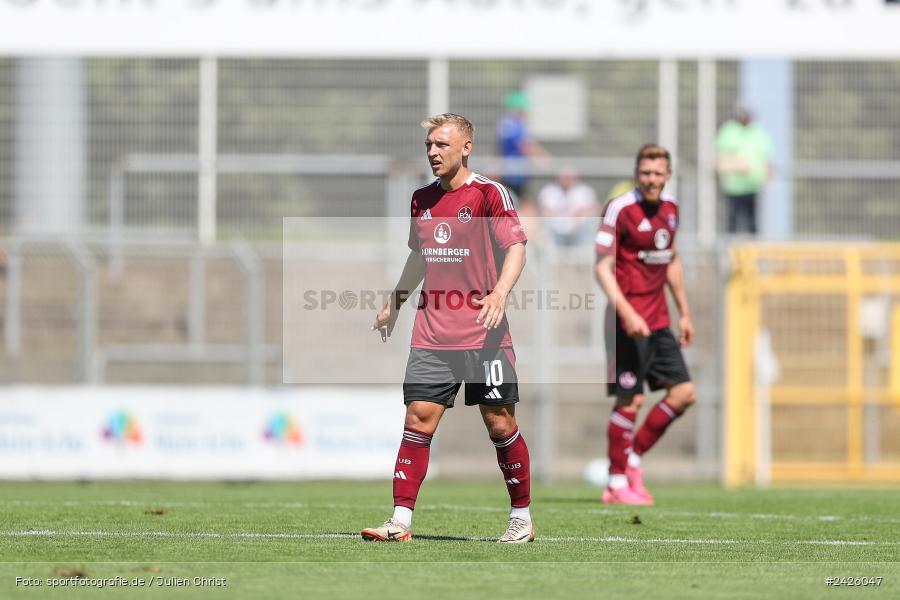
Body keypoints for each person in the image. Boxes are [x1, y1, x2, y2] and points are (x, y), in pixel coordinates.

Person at [361, 113, 533, 543]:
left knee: (499, 423)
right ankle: (399, 521)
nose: (433, 153)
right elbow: (418, 257)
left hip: (484, 335)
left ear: (466, 147)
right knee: (418, 420)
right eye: (429, 146)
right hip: (433, 334)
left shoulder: (490, 194)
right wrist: (395, 303)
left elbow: (516, 248)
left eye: (441, 145)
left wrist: (499, 293)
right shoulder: (421, 199)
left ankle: (522, 518)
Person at [593, 144, 696, 505]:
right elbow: (602, 266)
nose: (651, 179)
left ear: (668, 176)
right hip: (626, 321)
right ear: (638, 174)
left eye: (658, 173)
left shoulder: (672, 209)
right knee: (631, 399)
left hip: (660, 319)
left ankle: (631, 457)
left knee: (684, 393)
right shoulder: (620, 208)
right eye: (645, 173)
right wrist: (627, 311)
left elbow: (672, 261)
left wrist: (684, 311)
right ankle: (616, 483)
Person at [715, 106, 774, 234]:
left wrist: (768, 173)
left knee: (752, 221)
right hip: (733, 186)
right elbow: (720, 156)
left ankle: (754, 249)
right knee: (732, 220)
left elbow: (765, 156)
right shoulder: (729, 131)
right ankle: (730, 248)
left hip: (752, 185)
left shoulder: (757, 132)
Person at [496, 90, 548, 207]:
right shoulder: (511, 124)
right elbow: (524, 145)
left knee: (519, 199)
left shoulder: (510, 124)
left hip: (515, 170)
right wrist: (541, 160)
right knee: (517, 200)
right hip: (513, 172)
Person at [537, 167, 598, 246]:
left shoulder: (585, 191)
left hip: (579, 228)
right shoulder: (550, 191)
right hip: (555, 228)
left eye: (569, 177)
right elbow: (545, 210)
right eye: (564, 177)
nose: (567, 180)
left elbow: (591, 209)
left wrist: (578, 216)